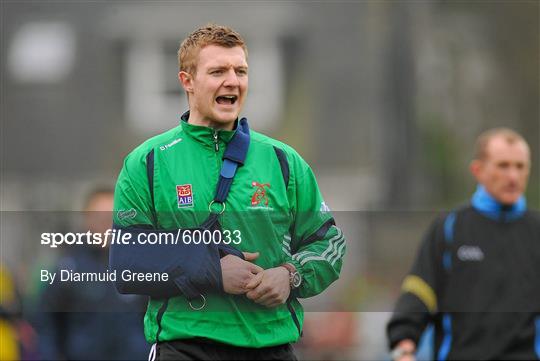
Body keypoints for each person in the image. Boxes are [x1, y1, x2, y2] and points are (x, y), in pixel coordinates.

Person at [111, 24, 346, 360]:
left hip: (270, 345)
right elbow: (127, 264)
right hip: (185, 346)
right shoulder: (146, 162)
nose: (232, 81)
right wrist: (212, 269)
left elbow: (330, 244)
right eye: (218, 71)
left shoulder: (283, 161)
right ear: (187, 81)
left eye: (241, 71)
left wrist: (290, 274)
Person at [387, 128, 540, 360]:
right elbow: (419, 292)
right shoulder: (449, 227)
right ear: (477, 170)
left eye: (520, 166)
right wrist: (404, 348)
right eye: (503, 166)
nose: (513, 176)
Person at [37, 187, 148, 360]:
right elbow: (45, 321)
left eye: (111, 216)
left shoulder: (141, 264)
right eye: (99, 216)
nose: (105, 223)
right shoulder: (68, 267)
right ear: (86, 219)